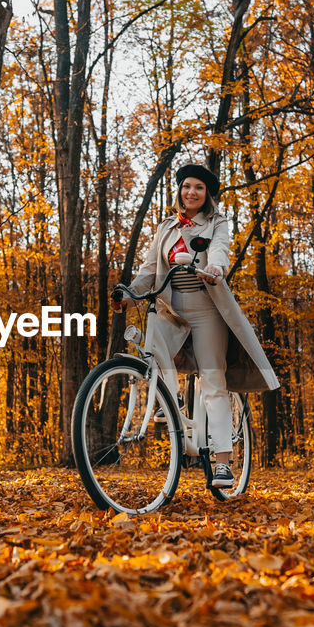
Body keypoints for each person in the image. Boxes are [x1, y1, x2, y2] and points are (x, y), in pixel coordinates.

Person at [112, 163, 280, 487]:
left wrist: (216, 266)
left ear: (207, 195)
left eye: (199, 188)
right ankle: (169, 399)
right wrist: (128, 295)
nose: (191, 192)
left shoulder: (217, 223)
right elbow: (149, 270)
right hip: (170, 310)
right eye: (187, 186)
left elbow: (220, 251)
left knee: (213, 384)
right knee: (151, 346)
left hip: (207, 309)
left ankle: (222, 463)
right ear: (179, 190)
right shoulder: (165, 228)